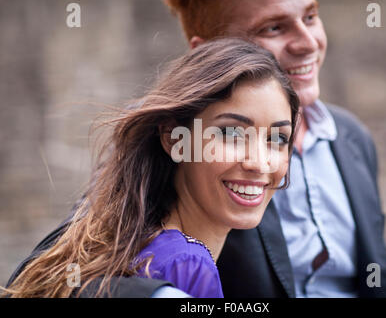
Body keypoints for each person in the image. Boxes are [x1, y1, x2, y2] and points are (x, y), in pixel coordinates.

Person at [2, 38, 299, 298]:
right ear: (173, 139)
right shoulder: (187, 265)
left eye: (277, 138)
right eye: (231, 134)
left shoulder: (127, 242)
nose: (260, 163)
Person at [164, 0, 386, 297]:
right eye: (273, 28)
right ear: (207, 52)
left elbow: (381, 277)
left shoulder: (353, 136)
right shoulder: (176, 135)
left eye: (311, 17)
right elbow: (94, 258)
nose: (308, 43)